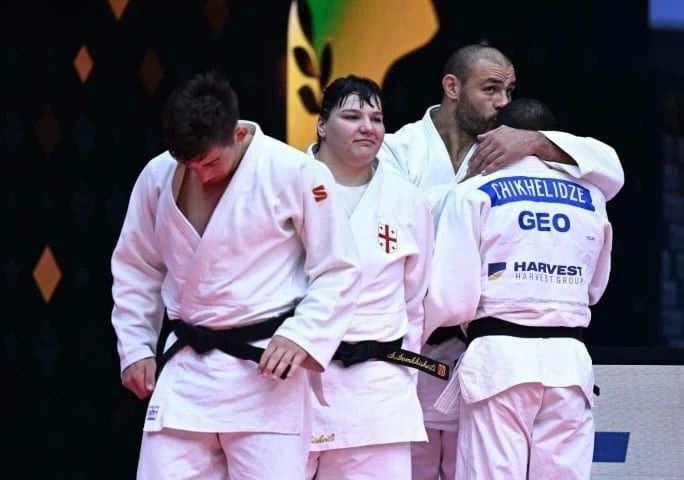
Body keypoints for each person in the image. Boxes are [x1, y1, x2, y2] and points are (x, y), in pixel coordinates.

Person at [377, 43, 624, 480]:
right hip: (419, 352)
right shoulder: (399, 150)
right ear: (452, 87)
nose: (501, 102)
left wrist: (537, 144)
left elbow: (612, 169)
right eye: (490, 89)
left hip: (486, 353)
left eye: (509, 91)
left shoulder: (515, 151)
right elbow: (396, 224)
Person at [110, 70, 362, 479]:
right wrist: (136, 346)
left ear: (238, 133)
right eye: (188, 164)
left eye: (210, 162)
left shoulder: (294, 171)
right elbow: (136, 265)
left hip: (265, 372)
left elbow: (338, 267)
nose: (200, 173)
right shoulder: (157, 175)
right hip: (186, 371)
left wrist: (301, 334)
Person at [425, 97, 612, 479]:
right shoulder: (591, 196)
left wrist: (416, 334)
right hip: (568, 362)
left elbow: (454, 298)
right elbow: (596, 286)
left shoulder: (474, 191)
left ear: (495, 137)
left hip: (499, 361)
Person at [303, 75, 439, 479]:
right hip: (295, 378)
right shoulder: (284, 183)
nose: (367, 127)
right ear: (322, 124)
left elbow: (416, 298)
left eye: (376, 118)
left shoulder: (407, 199)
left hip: (378, 387)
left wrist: (403, 368)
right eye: (351, 116)